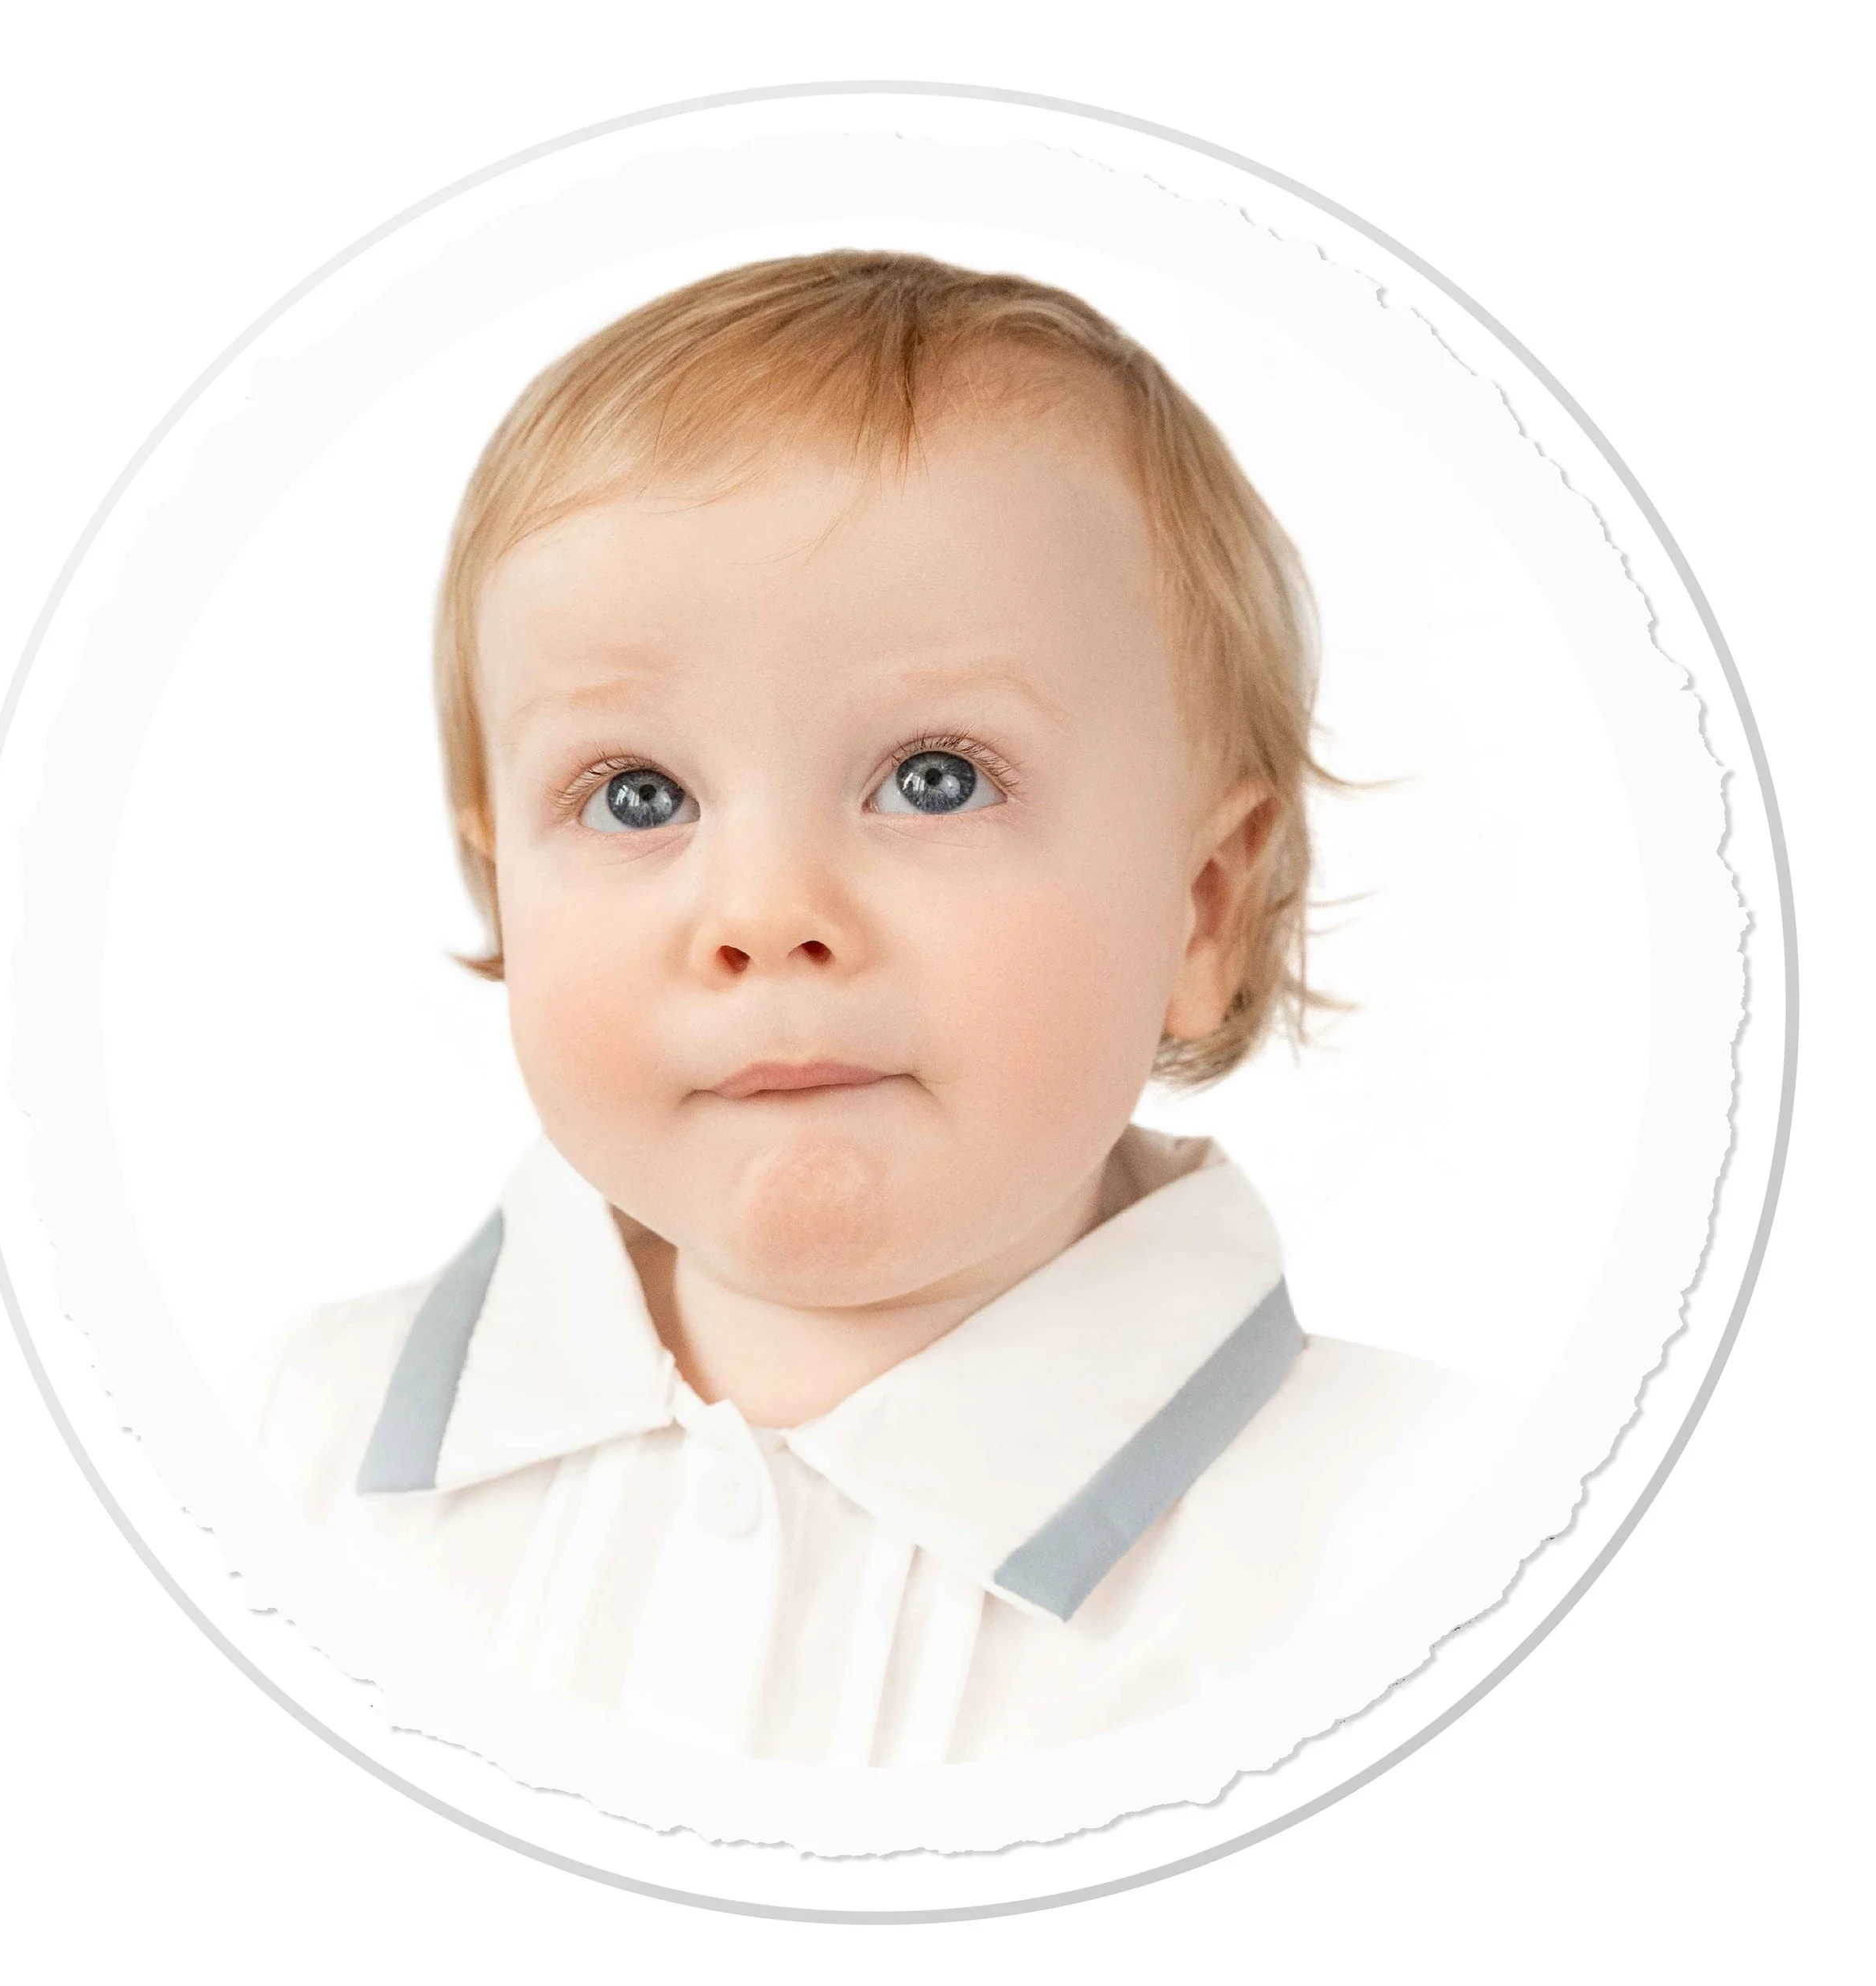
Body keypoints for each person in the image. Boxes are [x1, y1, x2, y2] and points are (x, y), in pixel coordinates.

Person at [242, 250, 1514, 1766]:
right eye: (638, 796)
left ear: (1202, 905)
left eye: (936, 779)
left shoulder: (1426, 1540)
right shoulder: (296, 1455)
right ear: (504, 885)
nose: (769, 914)